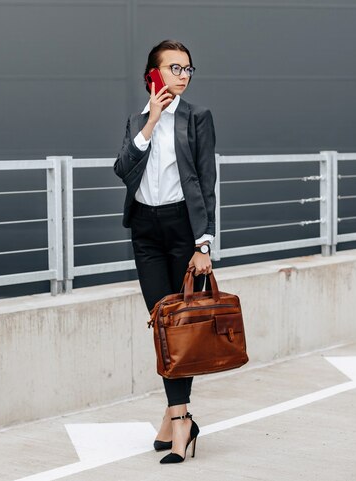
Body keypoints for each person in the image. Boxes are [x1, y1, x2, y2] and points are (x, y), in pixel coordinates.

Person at [114, 39, 216, 464]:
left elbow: (207, 182)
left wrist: (204, 244)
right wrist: (151, 122)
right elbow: (123, 169)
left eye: (188, 69)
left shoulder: (197, 119)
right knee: (162, 325)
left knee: (180, 327)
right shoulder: (139, 121)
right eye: (174, 68)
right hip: (145, 230)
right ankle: (177, 418)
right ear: (152, 76)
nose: (183, 75)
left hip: (181, 229)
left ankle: (180, 422)